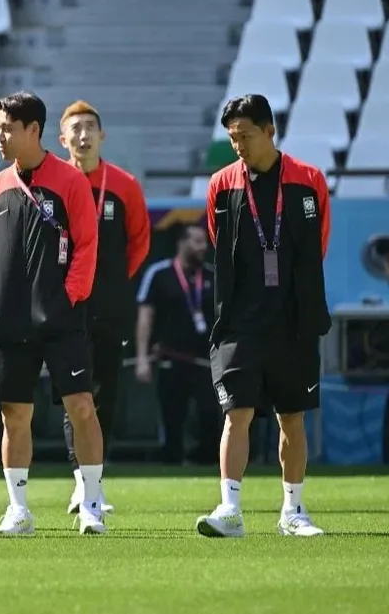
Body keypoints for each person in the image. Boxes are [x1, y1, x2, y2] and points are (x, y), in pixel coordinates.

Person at [197, 94, 330, 538]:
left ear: (270, 131)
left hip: (293, 320)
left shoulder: (309, 180)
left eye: (246, 136)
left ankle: (293, 511)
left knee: (291, 416)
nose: (239, 145)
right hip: (239, 321)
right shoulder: (221, 184)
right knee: (236, 412)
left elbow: (318, 243)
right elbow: (218, 239)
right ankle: (230, 510)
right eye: (233, 138)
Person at [0, 92, 105, 536]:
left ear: (34, 130)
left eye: (8, 129)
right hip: (6, 321)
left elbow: (86, 245)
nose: (0, 137)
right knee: (13, 413)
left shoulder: (71, 181)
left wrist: (68, 297)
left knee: (81, 406)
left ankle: (91, 503)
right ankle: (18, 511)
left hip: (61, 319)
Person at [58, 100, 150, 514]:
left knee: (105, 394)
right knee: (74, 394)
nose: (83, 135)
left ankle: (95, 479)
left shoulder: (125, 185)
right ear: (62, 139)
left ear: (102, 135)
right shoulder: (55, 183)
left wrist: (110, 283)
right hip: (66, 305)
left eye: (90, 128)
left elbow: (140, 242)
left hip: (110, 305)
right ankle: (81, 482)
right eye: (75, 129)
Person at [135, 223, 220, 465]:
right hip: (170, 358)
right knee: (172, 416)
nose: (203, 247)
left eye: (205, 242)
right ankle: (171, 461)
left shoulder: (213, 276)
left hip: (206, 361)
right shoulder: (159, 274)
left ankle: (206, 462)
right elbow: (145, 317)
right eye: (197, 241)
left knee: (209, 413)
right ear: (181, 243)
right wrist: (142, 358)